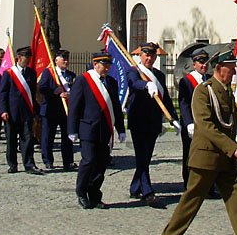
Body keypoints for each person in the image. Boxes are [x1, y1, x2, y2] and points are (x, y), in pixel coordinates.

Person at [159, 47, 237, 235]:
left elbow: (229, 123)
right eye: (231, 68)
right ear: (220, 68)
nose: (234, 72)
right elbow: (206, 126)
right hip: (206, 157)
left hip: (226, 160)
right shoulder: (203, 91)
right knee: (191, 201)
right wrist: (233, 148)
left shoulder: (227, 91)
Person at [68, 50, 125, 209]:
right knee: (88, 160)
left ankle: (94, 195)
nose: (106, 68)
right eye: (103, 64)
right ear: (95, 64)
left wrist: (120, 128)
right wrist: (71, 129)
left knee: (101, 164)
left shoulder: (111, 82)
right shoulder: (83, 80)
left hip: (105, 129)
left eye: (108, 65)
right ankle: (81, 191)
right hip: (88, 129)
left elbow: (115, 107)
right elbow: (74, 106)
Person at [125, 41, 179, 206]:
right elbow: (133, 83)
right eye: (146, 54)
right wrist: (146, 84)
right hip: (138, 120)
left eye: (152, 55)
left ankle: (135, 187)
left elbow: (166, 100)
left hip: (153, 122)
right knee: (142, 156)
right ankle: (147, 192)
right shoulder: (134, 71)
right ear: (140, 56)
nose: (149, 58)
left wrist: (174, 119)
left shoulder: (159, 75)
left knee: (146, 157)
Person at [0, 46, 42, 174]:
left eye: (29, 57)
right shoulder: (9, 73)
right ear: (19, 58)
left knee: (27, 139)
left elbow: (33, 93)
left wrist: (35, 110)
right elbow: (3, 94)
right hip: (12, 113)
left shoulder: (31, 73)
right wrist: (3, 110)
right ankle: (12, 164)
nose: (28, 60)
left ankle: (29, 164)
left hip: (27, 111)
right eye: (26, 57)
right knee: (11, 140)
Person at [39, 49, 76, 171]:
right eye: (63, 59)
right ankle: (48, 160)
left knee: (67, 137)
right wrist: (54, 92)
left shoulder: (71, 75)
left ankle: (68, 161)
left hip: (66, 111)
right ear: (56, 60)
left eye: (67, 59)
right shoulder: (49, 73)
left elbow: (75, 90)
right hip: (51, 109)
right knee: (48, 137)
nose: (66, 61)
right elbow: (42, 88)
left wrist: (70, 95)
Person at [178, 49, 210, 187]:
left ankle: (207, 185)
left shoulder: (209, 79)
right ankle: (189, 183)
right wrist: (188, 123)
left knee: (207, 154)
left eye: (206, 62)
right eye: (201, 62)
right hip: (192, 124)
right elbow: (183, 103)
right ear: (194, 63)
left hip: (206, 124)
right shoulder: (186, 81)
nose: (204, 65)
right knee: (190, 154)